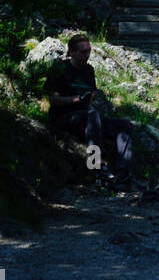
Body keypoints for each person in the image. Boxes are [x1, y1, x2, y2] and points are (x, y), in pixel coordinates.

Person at [46, 34, 135, 190]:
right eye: (82, 52)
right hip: (63, 118)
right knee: (92, 116)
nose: (86, 55)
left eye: (89, 51)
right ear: (72, 52)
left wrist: (89, 99)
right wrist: (76, 99)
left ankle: (122, 175)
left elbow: (91, 95)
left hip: (87, 117)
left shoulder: (89, 70)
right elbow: (53, 100)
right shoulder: (60, 68)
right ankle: (96, 167)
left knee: (124, 125)